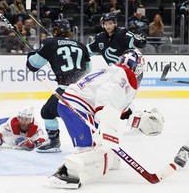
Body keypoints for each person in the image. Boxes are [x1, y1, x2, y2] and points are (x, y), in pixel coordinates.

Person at [47, 49, 165, 189]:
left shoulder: (113, 69)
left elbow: (117, 105)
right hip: (78, 107)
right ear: (138, 67)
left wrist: (136, 119)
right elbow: (108, 92)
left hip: (78, 104)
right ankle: (67, 173)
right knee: (93, 150)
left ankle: (103, 159)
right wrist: (105, 120)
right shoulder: (126, 75)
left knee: (107, 150)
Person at [26, 19, 92, 153]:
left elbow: (32, 66)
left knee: (47, 112)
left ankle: (54, 142)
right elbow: (89, 70)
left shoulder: (50, 43)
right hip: (83, 90)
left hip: (66, 90)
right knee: (80, 113)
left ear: (55, 30)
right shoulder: (81, 45)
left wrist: (32, 54)